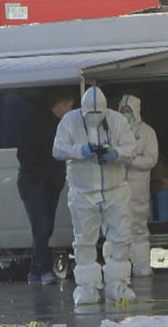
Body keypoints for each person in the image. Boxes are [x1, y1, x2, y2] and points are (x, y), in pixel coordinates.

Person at [53, 86, 137, 305]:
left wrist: (115, 153)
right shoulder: (70, 122)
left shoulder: (117, 121)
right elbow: (58, 149)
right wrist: (81, 151)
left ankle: (117, 285)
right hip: (82, 192)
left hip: (115, 190)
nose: (94, 118)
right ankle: (87, 287)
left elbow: (131, 148)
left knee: (121, 238)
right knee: (83, 242)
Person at [16, 89, 75, 285]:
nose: (70, 110)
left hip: (47, 181)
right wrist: (41, 173)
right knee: (41, 227)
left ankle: (35, 270)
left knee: (44, 227)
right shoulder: (38, 124)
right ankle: (43, 269)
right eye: (68, 105)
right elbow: (25, 154)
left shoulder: (52, 123)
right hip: (36, 182)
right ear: (59, 104)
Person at [116, 94, 159, 277]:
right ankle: (121, 269)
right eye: (123, 111)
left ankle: (142, 268)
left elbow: (151, 160)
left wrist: (130, 161)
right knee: (119, 229)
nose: (126, 114)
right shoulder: (114, 131)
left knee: (139, 229)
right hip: (117, 188)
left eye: (129, 111)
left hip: (138, 189)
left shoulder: (147, 132)